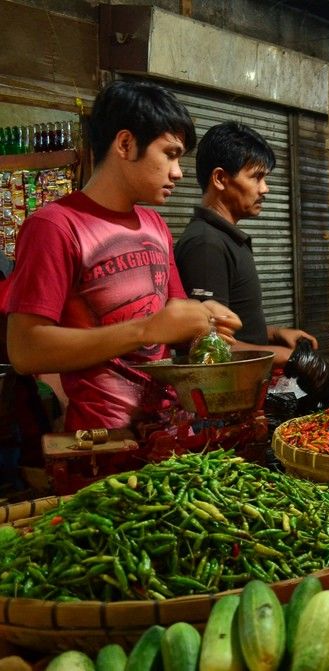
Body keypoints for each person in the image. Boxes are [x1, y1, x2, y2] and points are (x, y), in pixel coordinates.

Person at [4, 80, 240, 432]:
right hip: (105, 443)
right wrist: (144, 329)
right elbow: (25, 350)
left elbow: (169, 320)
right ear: (126, 144)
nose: (178, 172)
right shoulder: (54, 226)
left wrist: (203, 323)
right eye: (170, 154)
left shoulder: (155, 225)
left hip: (170, 430)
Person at [175, 122, 318, 367]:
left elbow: (231, 328)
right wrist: (286, 357)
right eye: (256, 177)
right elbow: (206, 346)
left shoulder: (226, 237)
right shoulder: (206, 245)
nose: (265, 189)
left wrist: (275, 333)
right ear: (220, 178)